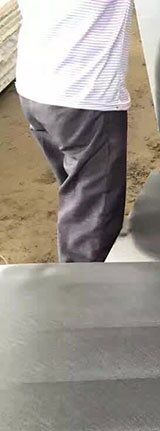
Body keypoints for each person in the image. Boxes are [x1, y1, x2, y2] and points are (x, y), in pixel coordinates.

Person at [15, 0, 134, 262]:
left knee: (80, 193)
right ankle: (80, 283)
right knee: (92, 221)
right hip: (82, 99)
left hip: (35, 88)